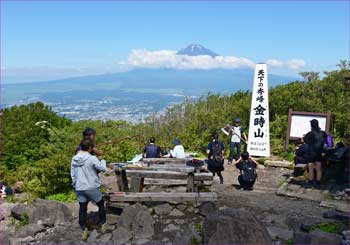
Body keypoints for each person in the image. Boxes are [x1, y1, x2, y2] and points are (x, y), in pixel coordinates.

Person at [71, 138, 107, 241]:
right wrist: (103, 160)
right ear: (90, 148)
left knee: (82, 208)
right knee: (100, 204)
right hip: (91, 187)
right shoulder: (91, 158)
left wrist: (75, 185)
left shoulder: (74, 158)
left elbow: (73, 175)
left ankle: (83, 230)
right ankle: (103, 225)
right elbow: (103, 169)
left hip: (79, 187)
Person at [304, 119, 327, 187]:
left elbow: (305, 140)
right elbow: (327, 140)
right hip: (319, 153)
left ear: (311, 125)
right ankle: (318, 182)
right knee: (318, 168)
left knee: (310, 168)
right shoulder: (323, 133)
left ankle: (311, 182)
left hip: (311, 152)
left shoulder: (310, 133)